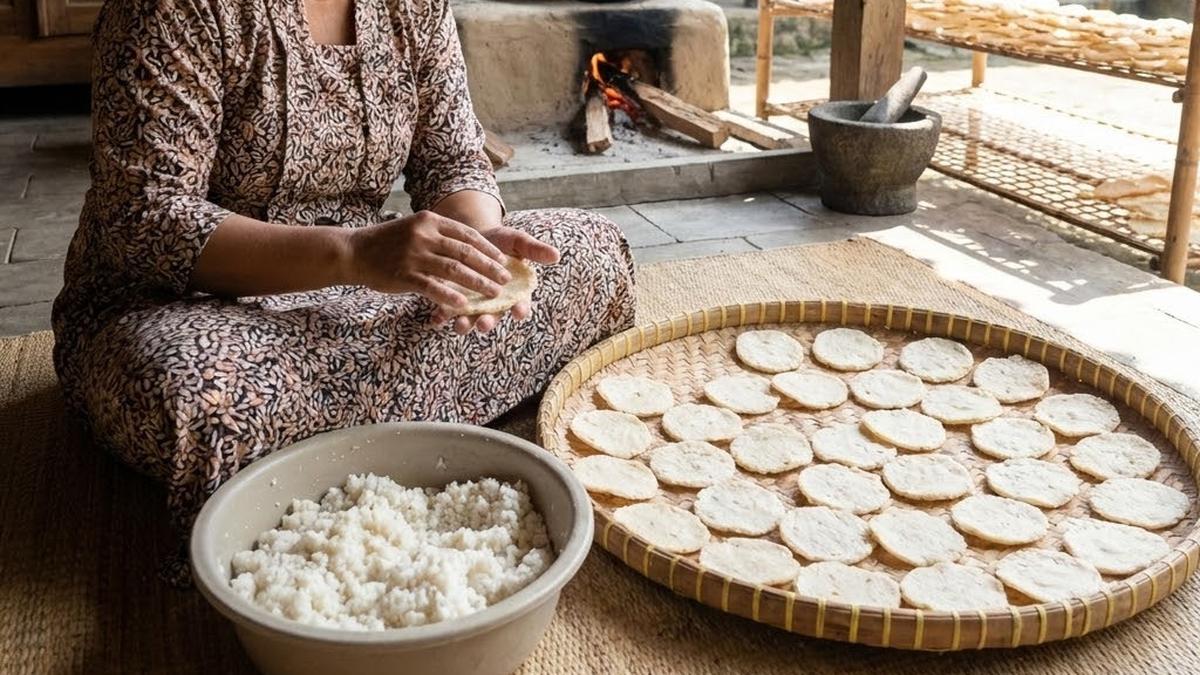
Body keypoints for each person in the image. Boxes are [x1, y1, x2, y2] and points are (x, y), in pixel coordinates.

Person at [51, 0, 636, 581]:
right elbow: (147, 219)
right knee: (202, 394)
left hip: (364, 288)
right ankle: (428, 417)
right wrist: (352, 254)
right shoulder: (171, 9)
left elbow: (453, 158)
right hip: (186, 307)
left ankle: (335, 444)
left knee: (594, 249)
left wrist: (481, 250)